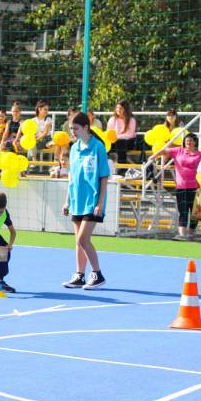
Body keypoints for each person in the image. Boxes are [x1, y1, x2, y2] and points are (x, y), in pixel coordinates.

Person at [61, 112, 109, 290]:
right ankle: (79, 275)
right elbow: (72, 177)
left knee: (83, 239)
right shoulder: (74, 148)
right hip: (77, 200)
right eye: (71, 128)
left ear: (86, 128)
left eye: (75, 128)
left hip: (92, 200)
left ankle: (97, 274)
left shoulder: (98, 147)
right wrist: (67, 201)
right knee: (77, 240)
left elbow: (104, 176)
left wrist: (100, 203)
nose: (72, 131)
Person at [148, 133, 201, 240]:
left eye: (191, 140)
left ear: (195, 142)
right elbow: (164, 150)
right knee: (182, 211)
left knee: (194, 212)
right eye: (187, 140)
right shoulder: (178, 151)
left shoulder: (200, 155)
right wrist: (154, 156)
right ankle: (182, 234)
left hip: (196, 187)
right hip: (181, 186)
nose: (189, 142)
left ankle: (191, 234)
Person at [107, 100, 137, 165]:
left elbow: (129, 135)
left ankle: (122, 167)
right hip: (114, 141)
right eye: (117, 108)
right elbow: (109, 132)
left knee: (121, 142)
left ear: (126, 109)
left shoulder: (131, 120)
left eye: (120, 108)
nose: (118, 110)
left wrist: (117, 137)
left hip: (128, 142)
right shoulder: (112, 119)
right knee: (104, 144)